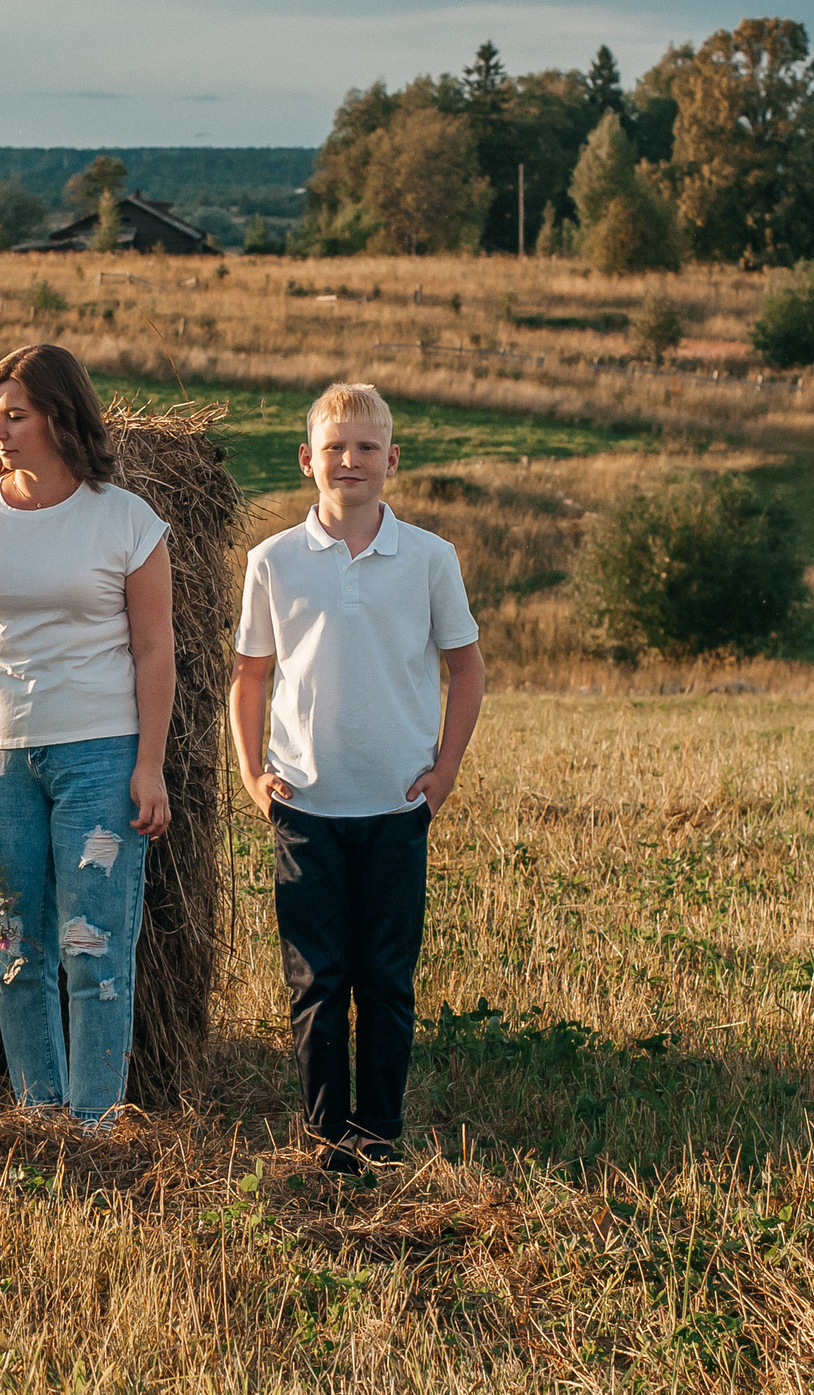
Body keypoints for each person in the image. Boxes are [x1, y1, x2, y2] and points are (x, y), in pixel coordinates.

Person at [0, 343, 175, 1129]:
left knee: (92, 948)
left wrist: (148, 765)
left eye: (14, 414)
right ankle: (40, 1115)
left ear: (59, 416)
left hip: (101, 753)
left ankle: (95, 1123)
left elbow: (157, 649)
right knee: (13, 950)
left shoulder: (125, 520)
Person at [229, 382, 485, 1173]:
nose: (350, 460)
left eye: (366, 447)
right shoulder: (271, 562)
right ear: (307, 460)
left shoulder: (431, 558)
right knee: (316, 980)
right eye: (335, 447)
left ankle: (378, 1130)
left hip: (397, 806)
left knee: (385, 980)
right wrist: (250, 775)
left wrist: (443, 773)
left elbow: (466, 669)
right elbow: (248, 675)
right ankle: (324, 1135)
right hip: (305, 805)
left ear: (392, 460)